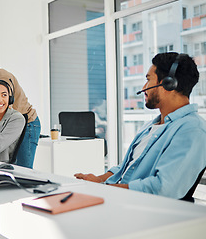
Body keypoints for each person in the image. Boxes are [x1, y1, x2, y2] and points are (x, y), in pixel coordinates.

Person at [74, 52, 206, 200]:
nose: (144, 87)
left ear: (168, 83)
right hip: (117, 198)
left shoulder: (192, 130)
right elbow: (127, 167)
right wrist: (98, 180)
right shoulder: (151, 125)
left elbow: (163, 188)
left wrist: (103, 189)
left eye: (148, 80)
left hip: (139, 208)